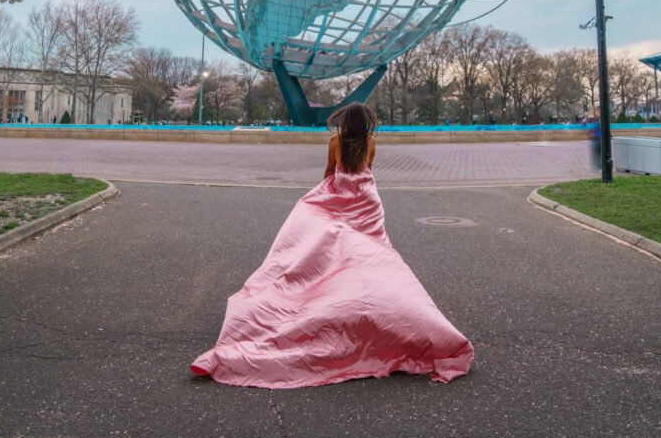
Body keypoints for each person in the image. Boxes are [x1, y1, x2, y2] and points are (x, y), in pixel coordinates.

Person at [189, 102, 474, 389]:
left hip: (343, 198)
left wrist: (327, 198)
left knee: (330, 243)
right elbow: (368, 169)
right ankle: (377, 303)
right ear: (366, 124)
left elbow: (330, 173)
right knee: (372, 252)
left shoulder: (335, 142)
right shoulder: (371, 143)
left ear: (344, 122)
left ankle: (333, 292)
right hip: (366, 201)